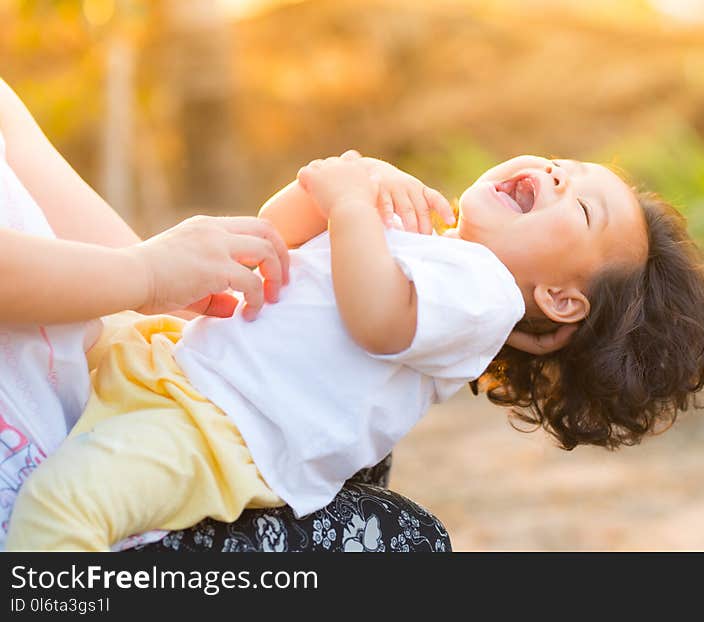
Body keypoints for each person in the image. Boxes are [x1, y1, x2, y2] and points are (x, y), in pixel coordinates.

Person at [6, 148, 704, 551]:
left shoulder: (483, 295)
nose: (560, 176)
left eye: (582, 204)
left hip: (214, 432)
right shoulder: (428, 235)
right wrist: (329, 186)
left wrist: (354, 206)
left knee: (63, 514)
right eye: (566, 165)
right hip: (173, 370)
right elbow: (274, 236)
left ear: (563, 300)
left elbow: (377, 318)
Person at [0, 78, 452, 552]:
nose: (541, 173)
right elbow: (143, 271)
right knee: (401, 540)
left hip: (81, 399)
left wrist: (200, 303)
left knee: (337, 436)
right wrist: (148, 273)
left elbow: (119, 256)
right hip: (44, 494)